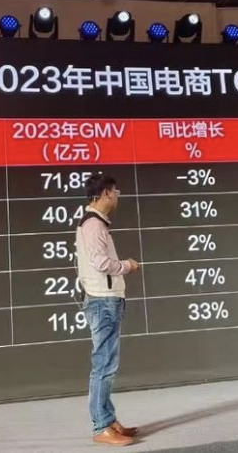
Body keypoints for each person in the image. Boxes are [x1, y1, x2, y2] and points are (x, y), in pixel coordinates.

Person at [76, 174, 140, 446]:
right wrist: (126, 266)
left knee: (107, 364)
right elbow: (101, 262)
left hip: (105, 300)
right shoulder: (93, 224)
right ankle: (101, 427)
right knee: (104, 365)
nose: (117, 197)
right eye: (115, 192)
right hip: (103, 301)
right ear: (104, 193)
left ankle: (108, 420)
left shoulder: (95, 222)